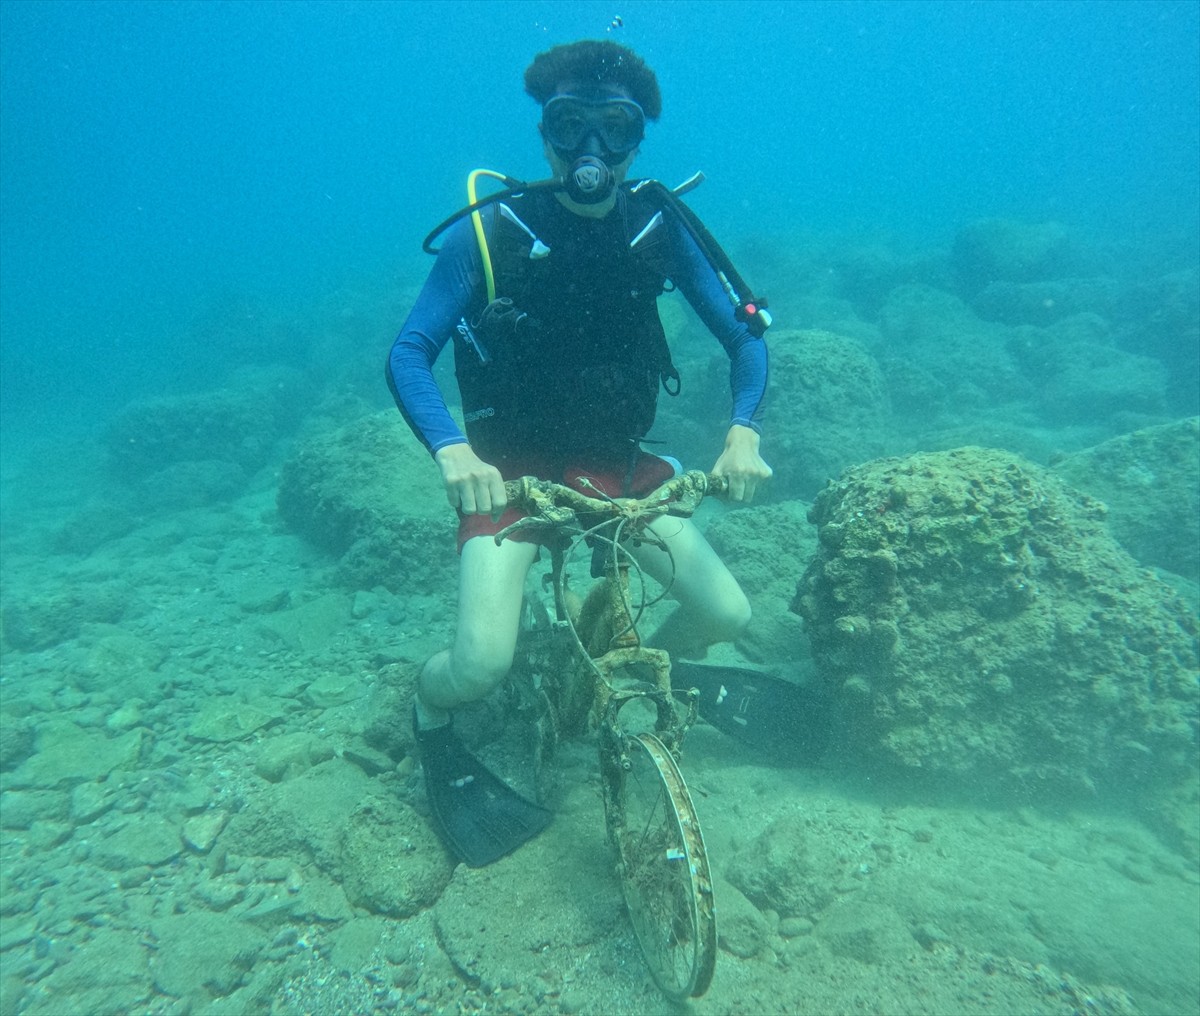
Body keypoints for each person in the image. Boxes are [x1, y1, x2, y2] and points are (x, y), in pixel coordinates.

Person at [387, 40, 775, 866]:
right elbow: (409, 352)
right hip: (506, 472)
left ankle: (643, 668)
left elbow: (747, 341)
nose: (590, 152)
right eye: (570, 127)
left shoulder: (659, 228)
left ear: (636, 142)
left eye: (615, 129)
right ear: (544, 136)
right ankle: (426, 712)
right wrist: (452, 450)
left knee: (728, 614)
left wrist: (743, 429)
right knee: (478, 665)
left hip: (612, 462)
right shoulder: (493, 232)